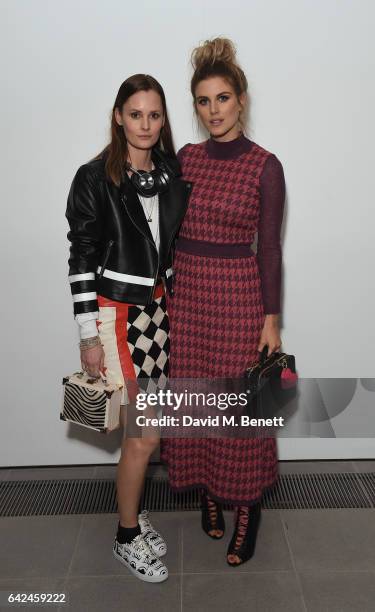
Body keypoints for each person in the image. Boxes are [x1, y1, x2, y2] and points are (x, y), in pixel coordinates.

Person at [160, 38, 286, 566]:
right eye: (204, 101)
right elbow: (158, 225)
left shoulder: (265, 166)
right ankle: (210, 494)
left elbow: (272, 249)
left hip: (237, 299)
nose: (214, 110)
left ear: (242, 100)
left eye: (223, 99)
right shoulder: (186, 158)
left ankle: (247, 511)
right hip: (186, 298)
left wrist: (272, 320)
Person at [65, 74, 191, 582]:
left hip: (158, 314)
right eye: (135, 113)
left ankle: (135, 517)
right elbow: (81, 258)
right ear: (119, 116)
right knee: (144, 434)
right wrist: (88, 334)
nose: (145, 124)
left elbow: (168, 248)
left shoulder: (168, 171)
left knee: (146, 435)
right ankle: (124, 536)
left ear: (163, 121)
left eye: (154, 115)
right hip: (117, 316)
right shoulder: (94, 177)